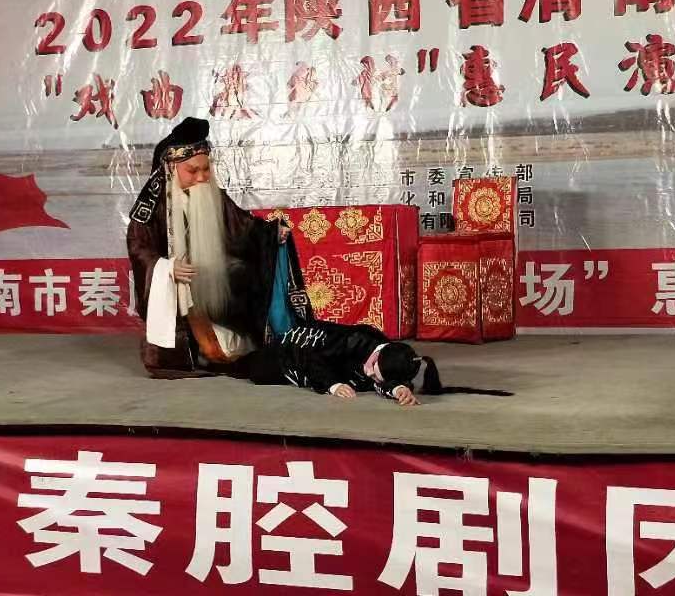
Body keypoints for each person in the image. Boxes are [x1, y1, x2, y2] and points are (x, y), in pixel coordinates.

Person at [127, 117, 312, 378]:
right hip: (180, 289)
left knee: (247, 272)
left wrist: (270, 234)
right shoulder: (152, 206)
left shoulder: (212, 194)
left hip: (213, 287)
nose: (202, 177)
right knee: (195, 320)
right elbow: (139, 247)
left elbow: (242, 226)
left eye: (206, 169)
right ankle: (192, 349)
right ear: (171, 168)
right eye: (193, 171)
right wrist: (166, 268)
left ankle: (253, 335)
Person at [245, 320, 512, 405]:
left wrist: (399, 390)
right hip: (294, 351)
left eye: (377, 376)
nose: (370, 375)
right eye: (373, 368)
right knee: (249, 369)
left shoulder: (396, 360)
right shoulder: (356, 341)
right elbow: (311, 358)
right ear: (376, 354)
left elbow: (383, 380)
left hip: (315, 364)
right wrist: (333, 385)